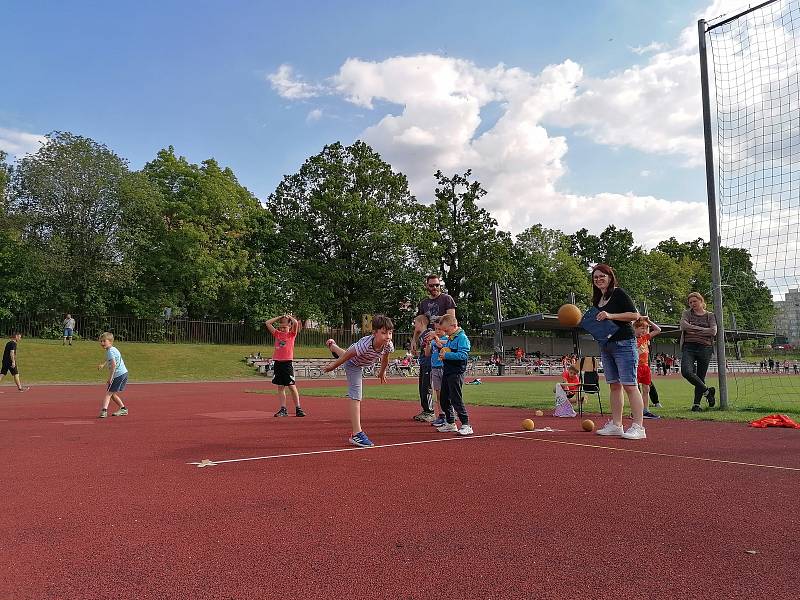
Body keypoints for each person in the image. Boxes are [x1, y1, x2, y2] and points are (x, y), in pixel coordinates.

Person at [590, 264, 647, 440]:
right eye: (595, 277)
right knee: (614, 385)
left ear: (610, 277)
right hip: (607, 345)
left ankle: (639, 427)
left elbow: (635, 315)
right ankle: (616, 425)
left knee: (630, 385)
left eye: (602, 276)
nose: (599, 279)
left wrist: (610, 315)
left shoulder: (618, 293)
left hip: (624, 343)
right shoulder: (597, 299)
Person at [323, 315, 394, 447]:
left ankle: (332, 346)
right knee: (356, 396)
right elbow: (347, 357)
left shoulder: (388, 344)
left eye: (390, 332)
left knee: (342, 352)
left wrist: (382, 371)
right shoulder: (365, 345)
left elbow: (385, 358)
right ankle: (357, 434)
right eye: (383, 333)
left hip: (360, 360)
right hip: (353, 364)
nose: (388, 336)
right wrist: (332, 366)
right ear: (374, 333)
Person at [434, 314, 473, 435]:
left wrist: (446, 355)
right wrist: (442, 348)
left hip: (456, 372)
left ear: (454, 325)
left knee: (456, 398)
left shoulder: (462, 338)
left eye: (447, 330)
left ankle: (466, 424)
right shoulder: (451, 338)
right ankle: (450, 423)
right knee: (444, 398)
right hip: (447, 371)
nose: (445, 333)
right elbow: (448, 349)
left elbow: (463, 355)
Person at [680, 292, 718, 412]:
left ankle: (696, 405)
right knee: (686, 372)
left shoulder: (710, 316)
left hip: (705, 348)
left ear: (701, 301)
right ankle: (707, 392)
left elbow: (713, 331)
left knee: (701, 376)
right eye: (690, 302)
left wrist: (694, 329)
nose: (692, 304)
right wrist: (703, 330)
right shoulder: (687, 313)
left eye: (694, 301)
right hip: (688, 346)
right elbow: (683, 326)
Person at [264, 314, 305, 417]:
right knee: (280, 386)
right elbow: (267, 323)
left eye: (284, 327)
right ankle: (283, 409)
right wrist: (279, 317)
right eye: (281, 327)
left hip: (287, 363)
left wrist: (289, 317)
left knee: (291, 386)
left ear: (289, 327)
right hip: (278, 362)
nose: (282, 329)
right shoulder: (277, 334)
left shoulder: (291, 334)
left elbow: (295, 323)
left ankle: (298, 408)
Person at [425, 317, 452, 427]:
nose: (437, 331)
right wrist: (427, 344)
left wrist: (435, 338)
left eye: (439, 329)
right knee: (438, 393)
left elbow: (441, 345)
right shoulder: (434, 340)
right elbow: (427, 354)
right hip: (435, 368)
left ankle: (449, 415)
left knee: (446, 393)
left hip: (444, 368)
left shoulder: (447, 339)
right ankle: (441, 415)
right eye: (435, 329)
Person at [635, 316, 662, 419]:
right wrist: (636, 319)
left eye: (646, 328)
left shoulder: (645, 338)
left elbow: (658, 330)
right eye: (642, 328)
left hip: (645, 367)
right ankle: (636, 411)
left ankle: (645, 411)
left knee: (646, 389)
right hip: (636, 366)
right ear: (635, 328)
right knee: (636, 390)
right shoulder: (632, 339)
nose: (645, 330)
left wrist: (648, 321)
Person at [96, 332, 128, 418]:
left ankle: (104, 411)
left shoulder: (110, 351)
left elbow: (113, 364)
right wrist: (103, 364)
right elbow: (110, 360)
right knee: (112, 394)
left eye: (104, 341)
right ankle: (123, 409)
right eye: (101, 341)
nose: (102, 343)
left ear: (110, 341)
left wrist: (110, 378)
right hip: (124, 373)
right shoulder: (113, 349)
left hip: (118, 374)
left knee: (108, 393)